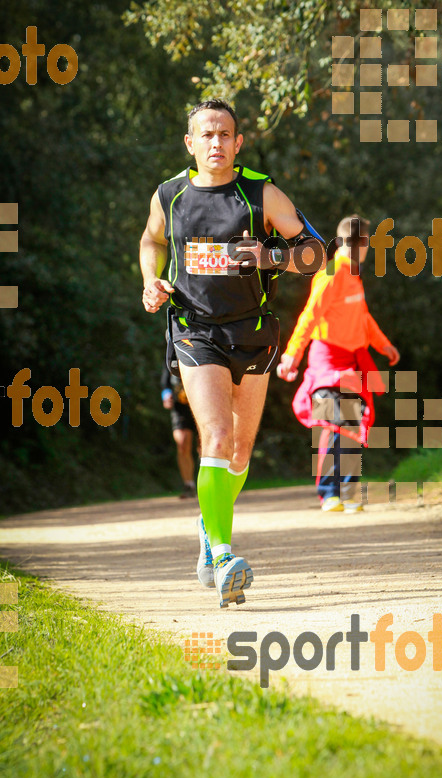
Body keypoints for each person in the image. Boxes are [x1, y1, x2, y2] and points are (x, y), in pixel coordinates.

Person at [139, 99, 325, 608]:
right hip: (194, 329)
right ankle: (222, 557)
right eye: (207, 134)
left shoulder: (260, 193)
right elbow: (150, 241)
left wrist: (270, 256)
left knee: (240, 451)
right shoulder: (169, 195)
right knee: (216, 434)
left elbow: (316, 253)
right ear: (190, 142)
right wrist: (151, 282)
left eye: (225, 134)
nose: (216, 142)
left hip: (253, 331)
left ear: (238, 143)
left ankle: (208, 522)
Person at [277, 215, 400, 512]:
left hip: (350, 362)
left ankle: (347, 493)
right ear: (363, 243)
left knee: (351, 423)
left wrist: (383, 345)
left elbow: (362, 318)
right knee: (332, 423)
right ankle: (328, 493)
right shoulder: (332, 273)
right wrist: (291, 355)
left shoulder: (353, 275)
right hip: (325, 362)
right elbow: (310, 315)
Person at [160, 362, 197, 499]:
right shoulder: (171, 353)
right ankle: (189, 485)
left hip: (200, 402)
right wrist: (166, 396)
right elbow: (165, 381)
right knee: (182, 444)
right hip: (179, 406)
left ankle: (207, 484)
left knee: (203, 446)